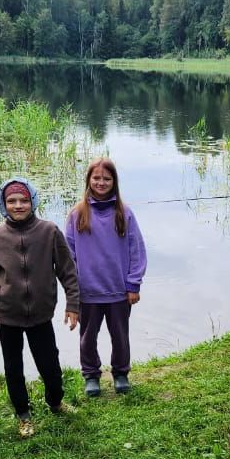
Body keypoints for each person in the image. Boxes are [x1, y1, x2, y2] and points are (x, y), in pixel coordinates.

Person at [0, 177, 79, 438]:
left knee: (50, 365)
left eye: (23, 200)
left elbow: (68, 271)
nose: (18, 205)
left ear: (33, 201)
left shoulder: (49, 232)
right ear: (3, 204)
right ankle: (23, 415)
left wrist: (73, 304)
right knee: (13, 369)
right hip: (8, 316)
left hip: (41, 315)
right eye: (11, 201)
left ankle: (55, 401)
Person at [65, 157, 147, 397]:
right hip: (87, 292)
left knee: (120, 336)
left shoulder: (125, 213)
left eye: (106, 179)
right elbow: (67, 256)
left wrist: (133, 283)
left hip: (119, 291)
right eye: (97, 178)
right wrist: (73, 290)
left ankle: (121, 372)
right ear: (89, 180)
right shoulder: (76, 214)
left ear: (114, 182)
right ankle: (91, 375)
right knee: (87, 338)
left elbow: (137, 250)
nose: (101, 182)